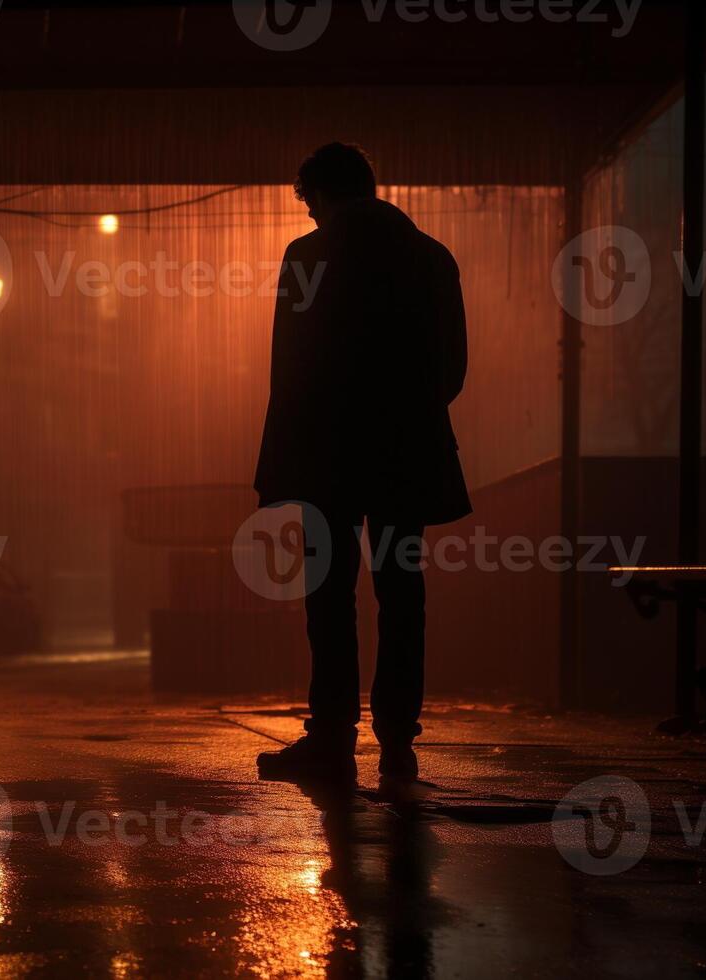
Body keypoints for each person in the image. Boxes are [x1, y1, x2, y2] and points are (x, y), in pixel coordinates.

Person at [253, 143, 471, 792]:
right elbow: (451, 365)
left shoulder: (308, 256)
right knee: (402, 589)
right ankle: (398, 739)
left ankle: (331, 735)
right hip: (407, 451)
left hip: (326, 455)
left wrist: (281, 461)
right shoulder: (431, 256)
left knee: (329, 594)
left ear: (316, 196)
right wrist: (414, 413)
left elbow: (287, 369)